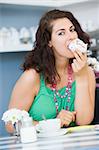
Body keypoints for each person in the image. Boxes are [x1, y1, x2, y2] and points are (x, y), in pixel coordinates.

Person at [6, 9, 96, 133]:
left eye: (72, 30)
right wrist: (53, 124)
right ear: (49, 42)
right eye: (61, 33)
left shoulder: (86, 73)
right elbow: (11, 125)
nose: (71, 37)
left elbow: (84, 121)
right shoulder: (32, 77)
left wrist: (80, 77)